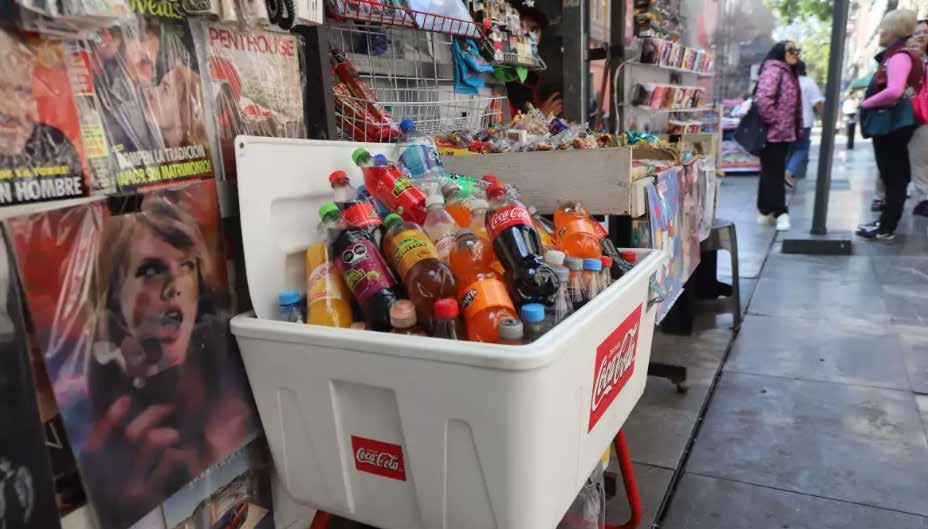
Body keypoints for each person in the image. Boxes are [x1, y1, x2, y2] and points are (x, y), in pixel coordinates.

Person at [80, 197, 255, 528]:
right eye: (151, 271)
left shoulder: (230, 374)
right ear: (114, 294)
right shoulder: (102, 419)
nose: (174, 287)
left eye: (186, 266)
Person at [856, 9, 924, 240]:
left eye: (883, 28)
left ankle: (886, 228)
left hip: (892, 123)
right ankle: (885, 223)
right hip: (896, 122)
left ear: (895, 30)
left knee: (892, 176)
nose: (880, 32)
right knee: (895, 176)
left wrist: (867, 104)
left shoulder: (899, 56)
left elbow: (894, 91)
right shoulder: (901, 55)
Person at [754, 40, 803, 231]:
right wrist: (777, 121)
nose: (795, 53)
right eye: (791, 50)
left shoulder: (787, 72)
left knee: (770, 172)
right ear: (780, 52)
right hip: (772, 133)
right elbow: (763, 100)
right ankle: (780, 212)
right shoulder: (774, 70)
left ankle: (765, 210)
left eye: (797, 50)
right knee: (775, 173)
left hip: (781, 133)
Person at [785, 60, 824, 186]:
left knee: (788, 149)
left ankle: (786, 173)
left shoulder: (784, 81)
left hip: (785, 122)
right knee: (801, 148)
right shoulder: (808, 82)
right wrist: (824, 119)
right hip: (803, 122)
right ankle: (788, 172)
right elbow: (818, 102)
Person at [909, 19, 928, 217]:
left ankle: (924, 199)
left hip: (924, 116)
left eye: (925, 32)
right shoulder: (908, 59)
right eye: (917, 32)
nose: (921, 35)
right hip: (915, 116)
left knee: (921, 159)